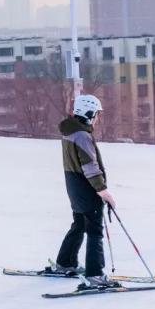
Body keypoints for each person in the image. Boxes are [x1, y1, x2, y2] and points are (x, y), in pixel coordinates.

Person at [51, 94, 119, 289]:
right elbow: (90, 166)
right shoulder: (82, 135)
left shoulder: (70, 131)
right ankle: (95, 275)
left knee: (79, 224)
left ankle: (66, 262)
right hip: (87, 189)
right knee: (95, 230)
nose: (97, 118)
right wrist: (103, 191)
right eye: (96, 114)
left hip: (75, 188)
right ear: (89, 114)